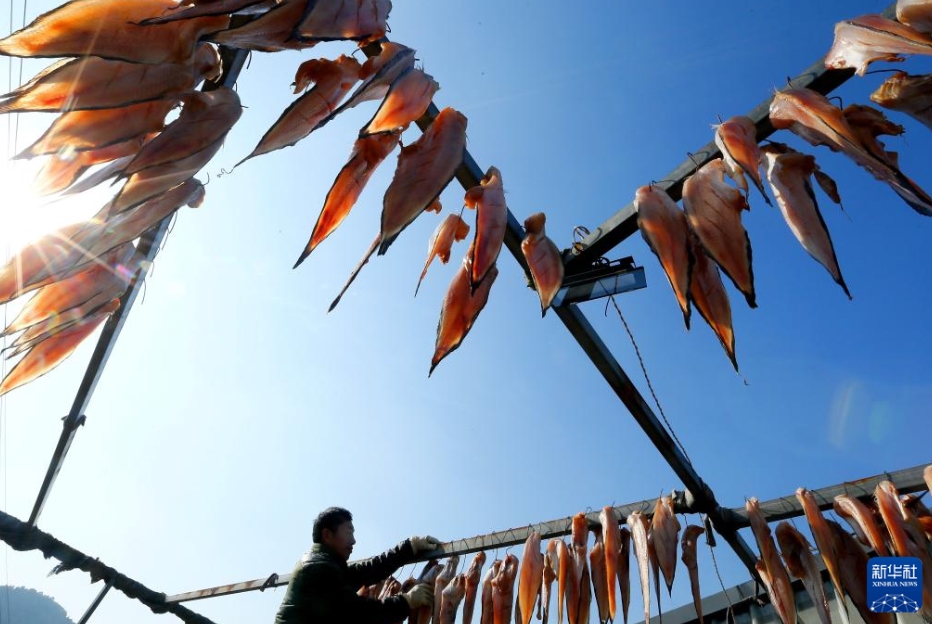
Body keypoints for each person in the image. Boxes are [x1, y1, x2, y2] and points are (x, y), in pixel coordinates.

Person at [273, 506, 442, 624]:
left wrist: (409, 547)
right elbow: (359, 613)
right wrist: (406, 601)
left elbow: (368, 570)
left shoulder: (325, 564)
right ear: (327, 535)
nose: (353, 540)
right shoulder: (318, 568)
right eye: (348, 532)